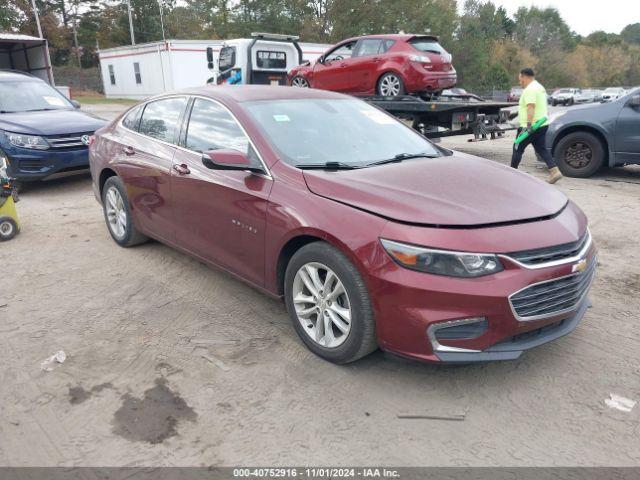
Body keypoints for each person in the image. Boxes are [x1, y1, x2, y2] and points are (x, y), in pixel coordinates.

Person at [511, 68, 562, 184]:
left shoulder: (530, 89)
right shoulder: (540, 87)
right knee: (541, 148)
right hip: (542, 124)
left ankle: (511, 173)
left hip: (530, 126)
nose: (520, 83)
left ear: (525, 77)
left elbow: (531, 107)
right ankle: (555, 171)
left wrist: (528, 125)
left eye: (520, 80)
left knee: (517, 148)